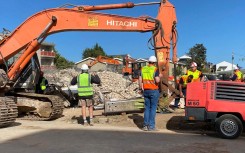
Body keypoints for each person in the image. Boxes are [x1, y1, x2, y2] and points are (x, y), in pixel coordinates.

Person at [138, 55, 161, 131]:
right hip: (153, 90)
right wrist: (160, 76)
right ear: (154, 62)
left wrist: (140, 89)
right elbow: (157, 81)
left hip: (146, 91)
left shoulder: (143, 69)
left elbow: (140, 79)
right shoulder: (155, 69)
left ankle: (145, 126)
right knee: (153, 108)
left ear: (148, 61)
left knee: (147, 108)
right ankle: (151, 126)